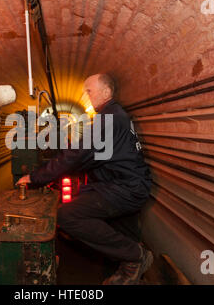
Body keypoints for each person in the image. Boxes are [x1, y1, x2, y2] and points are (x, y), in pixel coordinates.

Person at [16, 73, 153, 285]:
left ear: (106, 92)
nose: (86, 95)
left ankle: (136, 256)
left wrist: (35, 177)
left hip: (125, 188)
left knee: (68, 215)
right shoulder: (114, 115)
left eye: (89, 90)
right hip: (127, 184)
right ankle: (129, 269)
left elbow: (77, 155)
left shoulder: (110, 118)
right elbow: (90, 156)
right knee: (122, 235)